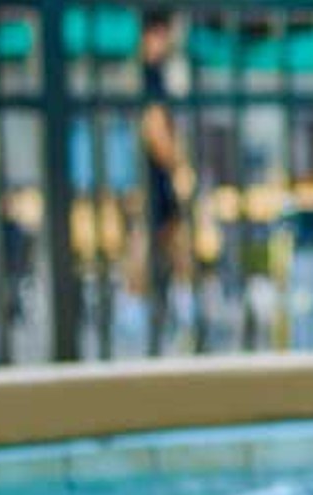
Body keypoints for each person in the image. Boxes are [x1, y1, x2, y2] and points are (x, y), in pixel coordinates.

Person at [136, 10, 190, 352]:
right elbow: (155, 127)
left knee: (163, 237)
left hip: (154, 174)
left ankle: (165, 317)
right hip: (154, 174)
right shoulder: (150, 73)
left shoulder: (151, 73)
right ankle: (149, 319)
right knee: (153, 238)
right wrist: (178, 165)